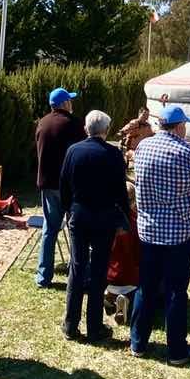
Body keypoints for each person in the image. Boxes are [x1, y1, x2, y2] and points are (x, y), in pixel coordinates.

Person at [130, 105, 190, 365]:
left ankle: (138, 343)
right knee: (176, 290)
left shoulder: (143, 147)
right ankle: (176, 351)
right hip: (179, 233)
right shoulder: (187, 152)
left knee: (146, 286)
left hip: (149, 230)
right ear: (179, 126)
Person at [59, 111, 128, 343]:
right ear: (106, 130)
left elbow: (64, 185)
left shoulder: (73, 151)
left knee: (77, 268)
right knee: (98, 271)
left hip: (79, 214)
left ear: (86, 129)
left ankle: (70, 325)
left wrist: (68, 210)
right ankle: (94, 327)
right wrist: (124, 217)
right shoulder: (113, 154)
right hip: (104, 217)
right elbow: (121, 191)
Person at [33, 88, 85, 288]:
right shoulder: (74, 124)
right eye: (70, 101)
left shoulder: (42, 123)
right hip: (70, 186)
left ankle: (43, 276)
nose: (72, 104)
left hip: (48, 184)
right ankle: (78, 274)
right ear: (64, 104)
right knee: (76, 230)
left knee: (50, 229)